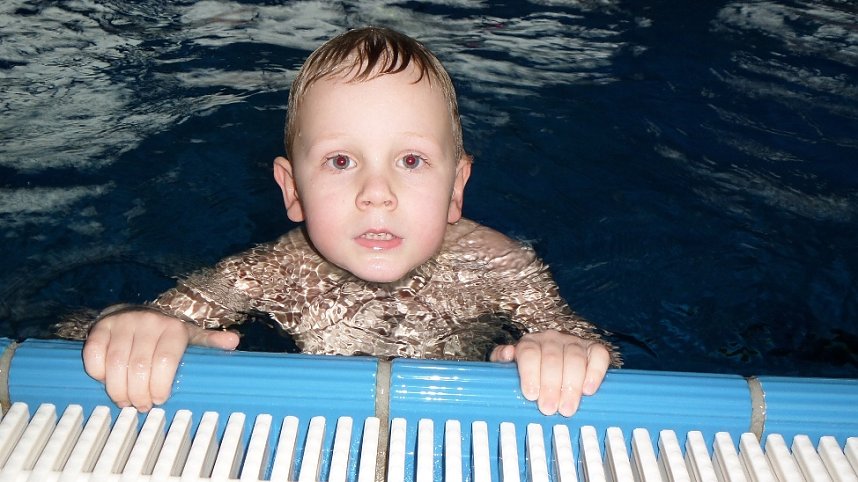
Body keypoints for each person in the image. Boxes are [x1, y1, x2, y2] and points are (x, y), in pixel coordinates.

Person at [70, 26, 621, 418]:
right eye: (341, 161)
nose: (375, 194)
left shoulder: (498, 263)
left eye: (411, 161)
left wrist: (561, 348)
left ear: (456, 189)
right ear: (293, 191)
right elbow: (101, 332)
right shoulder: (268, 271)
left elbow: (587, 344)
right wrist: (138, 326)